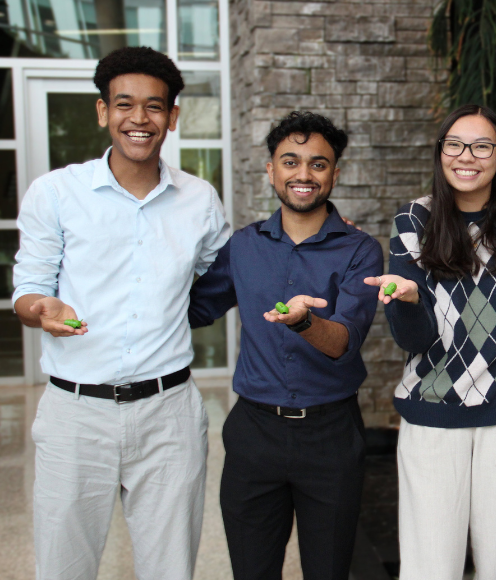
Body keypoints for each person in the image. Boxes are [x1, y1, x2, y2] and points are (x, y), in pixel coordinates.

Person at [12, 47, 230, 580]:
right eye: (125, 105)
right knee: (64, 567)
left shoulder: (199, 199)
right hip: (75, 413)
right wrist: (41, 308)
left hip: (168, 412)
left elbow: (220, 277)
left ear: (172, 117)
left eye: (154, 107)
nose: (139, 119)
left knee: (171, 567)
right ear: (102, 111)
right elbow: (28, 289)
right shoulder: (57, 193)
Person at [188, 111, 383, 580]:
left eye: (318, 164)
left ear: (335, 174)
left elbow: (343, 343)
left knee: (329, 571)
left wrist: (304, 323)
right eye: (290, 161)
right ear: (270, 171)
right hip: (254, 433)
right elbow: (193, 310)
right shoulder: (243, 246)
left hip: (330, 436)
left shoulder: (361, 249)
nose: (303, 174)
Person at [364, 104, 496, 580]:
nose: (466, 156)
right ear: (441, 152)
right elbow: (417, 339)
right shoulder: (414, 218)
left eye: (482, 145)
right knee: (429, 567)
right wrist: (405, 301)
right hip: (432, 413)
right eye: (454, 144)